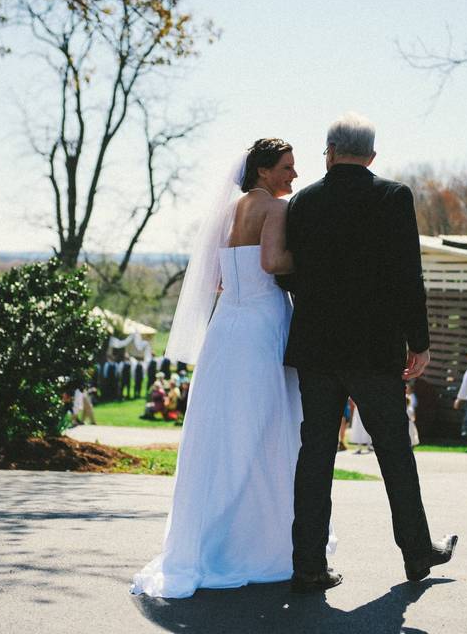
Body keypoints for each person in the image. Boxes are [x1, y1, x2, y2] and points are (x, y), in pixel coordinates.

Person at [131, 138, 336, 599]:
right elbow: (272, 262)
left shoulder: (232, 209)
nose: (294, 176)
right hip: (262, 323)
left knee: (223, 428)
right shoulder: (275, 210)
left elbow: (222, 274)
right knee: (268, 428)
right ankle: (254, 543)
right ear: (263, 170)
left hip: (226, 328)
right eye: (287, 167)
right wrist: (316, 260)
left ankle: (210, 536)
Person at [284, 113, 457, 593]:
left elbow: (288, 272)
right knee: (395, 453)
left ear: (330, 151)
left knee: (315, 455)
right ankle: (418, 553)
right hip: (375, 348)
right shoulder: (393, 197)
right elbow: (409, 275)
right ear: (373, 156)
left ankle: (308, 565)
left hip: (317, 348)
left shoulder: (303, 201)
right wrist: (417, 342)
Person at [405, 381, 420, 447]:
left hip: (409, 417)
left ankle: (412, 444)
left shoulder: (412, 396)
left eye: (407, 388)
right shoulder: (406, 395)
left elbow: (413, 406)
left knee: (411, 433)